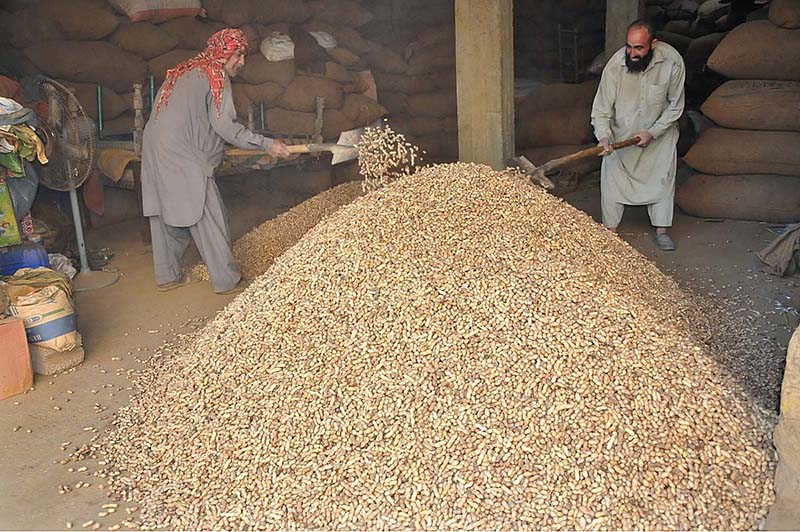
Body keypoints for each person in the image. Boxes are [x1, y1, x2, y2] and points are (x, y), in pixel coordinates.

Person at [141, 28, 291, 294]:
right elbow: (226, 127)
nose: (242, 62)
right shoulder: (215, 75)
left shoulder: (183, 70)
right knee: (208, 212)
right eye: (238, 55)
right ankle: (227, 281)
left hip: (153, 147)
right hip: (181, 152)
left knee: (164, 212)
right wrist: (268, 144)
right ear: (223, 55)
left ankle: (167, 276)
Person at [591, 19, 685, 251]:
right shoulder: (615, 66)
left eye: (639, 48)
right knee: (612, 181)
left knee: (662, 179)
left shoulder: (672, 62)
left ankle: (662, 229)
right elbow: (601, 110)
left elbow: (676, 106)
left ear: (654, 44)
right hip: (621, 139)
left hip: (658, 138)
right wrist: (604, 137)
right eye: (629, 47)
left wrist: (653, 133)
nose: (632, 54)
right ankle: (610, 231)